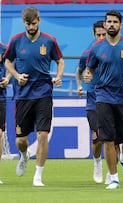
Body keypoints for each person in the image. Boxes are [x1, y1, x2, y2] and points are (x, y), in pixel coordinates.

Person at [84, 9, 123, 190]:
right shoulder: (96, 48)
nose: (111, 24)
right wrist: (88, 75)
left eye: (114, 22)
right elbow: (90, 68)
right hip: (104, 96)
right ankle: (113, 178)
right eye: (108, 22)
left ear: (121, 25)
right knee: (108, 139)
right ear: (104, 24)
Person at [3, 7, 64, 187]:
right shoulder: (16, 41)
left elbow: (60, 61)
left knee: (43, 135)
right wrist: (16, 76)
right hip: (23, 95)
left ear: (39, 20)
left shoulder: (49, 41)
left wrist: (59, 76)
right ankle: (24, 155)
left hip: (44, 93)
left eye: (34, 23)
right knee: (21, 140)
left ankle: (38, 176)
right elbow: (7, 61)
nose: (31, 27)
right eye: (28, 24)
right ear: (24, 23)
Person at [75, 20, 107, 184]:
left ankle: (112, 170)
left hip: (112, 99)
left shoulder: (115, 51)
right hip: (93, 101)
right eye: (98, 35)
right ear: (94, 35)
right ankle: (97, 163)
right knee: (97, 138)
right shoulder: (88, 53)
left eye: (104, 34)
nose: (101, 37)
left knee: (112, 139)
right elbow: (79, 71)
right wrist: (80, 85)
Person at [0, 42, 11, 184]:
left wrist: (7, 78)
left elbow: (11, 66)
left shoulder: (5, 48)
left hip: (0, 97)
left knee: (0, 134)